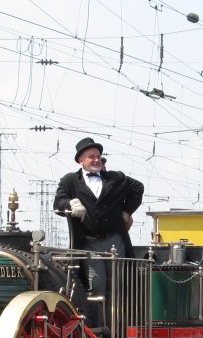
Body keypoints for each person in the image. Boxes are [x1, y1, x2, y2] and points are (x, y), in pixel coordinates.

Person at [54, 137, 144, 323]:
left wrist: (126, 211)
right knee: (96, 285)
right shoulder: (70, 180)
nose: (96, 160)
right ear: (81, 160)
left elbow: (138, 188)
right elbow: (58, 202)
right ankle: (97, 328)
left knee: (117, 285)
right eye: (91, 157)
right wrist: (70, 203)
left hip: (114, 240)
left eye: (98, 156)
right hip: (89, 243)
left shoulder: (116, 177)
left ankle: (117, 328)